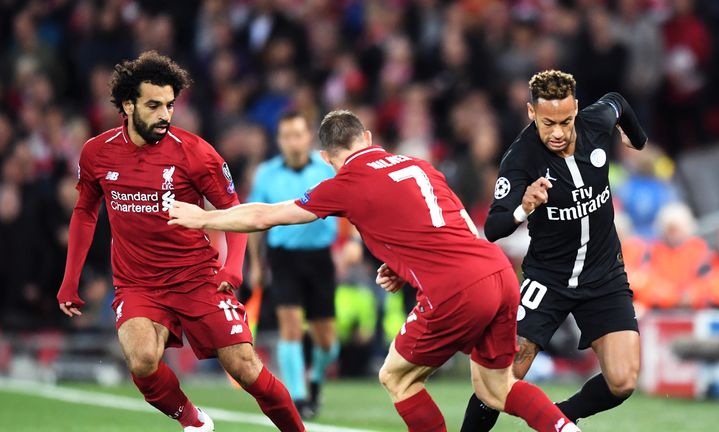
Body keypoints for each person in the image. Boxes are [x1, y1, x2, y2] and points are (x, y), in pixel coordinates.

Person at [168, 109, 581, 432]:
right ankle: (562, 426)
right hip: (498, 272)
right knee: (496, 388)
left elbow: (267, 215)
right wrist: (405, 266)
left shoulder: (344, 181)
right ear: (367, 138)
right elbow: (447, 223)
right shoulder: (419, 164)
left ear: (328, 158)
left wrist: (204, 219)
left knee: (396, 376)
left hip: (456, 288)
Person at [56, 51, 304, 432]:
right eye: (154, 105)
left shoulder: (197, 154)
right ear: (128, 104)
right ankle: (195, 422)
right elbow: (86, 212)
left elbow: (232, 210)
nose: (165, 115)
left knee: (245, 366)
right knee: (141, 360)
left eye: (170, 105)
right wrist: (70, 279)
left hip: (197, 278)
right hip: (138, 283)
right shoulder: (97, 152)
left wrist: (232, 268)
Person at [461, 70, 647, 431]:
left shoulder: (596, 122)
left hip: (605, 275)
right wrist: (523, 207)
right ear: (532, 113)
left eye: (565, 120)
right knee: (503, 373)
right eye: (548, 123)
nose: (558, 132)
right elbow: (494, 226)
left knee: (623, 381)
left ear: (576, 108)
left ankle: (558, 418)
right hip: (548, 278)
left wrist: (637, 139)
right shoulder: (520, 158)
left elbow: (618, 101)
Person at [247, 110, 339, 418]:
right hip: (282, 257)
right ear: (279, 140)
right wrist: (256, 264)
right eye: (286, 136)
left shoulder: (327, 169)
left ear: (308, 136)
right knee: (290, 328)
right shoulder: (267, 174)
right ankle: (299, 400)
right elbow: (255, 219)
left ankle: (315, 381)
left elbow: (350, 206)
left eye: (298, 135)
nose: (293, 142)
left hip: (319, 258)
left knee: (328, 343)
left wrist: (352, 243)